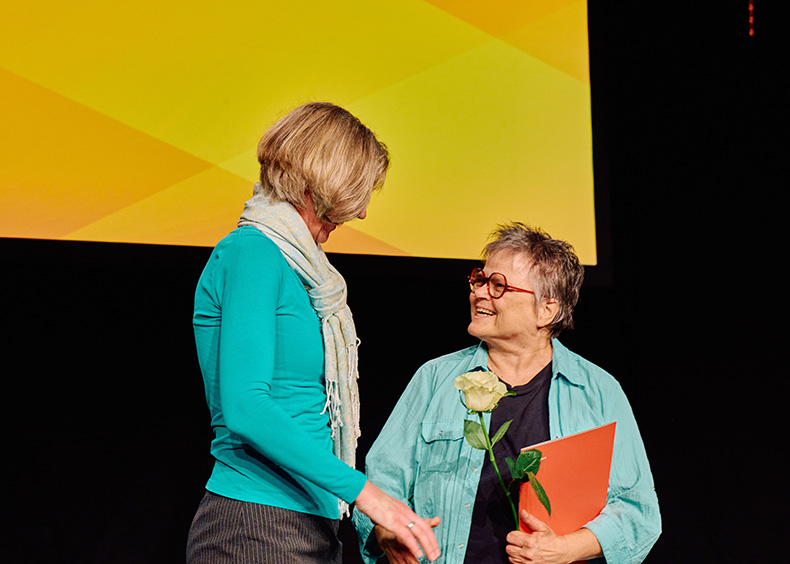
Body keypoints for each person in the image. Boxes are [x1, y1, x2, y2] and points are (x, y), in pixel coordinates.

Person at [186, 102, 440, 564]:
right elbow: (246, 407)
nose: (360, 213)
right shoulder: (253, 254)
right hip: (254, 522)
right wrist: (370, 495)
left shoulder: (304, 271)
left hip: (311, 521)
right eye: (354, 193)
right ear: (318, 180)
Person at [353, 223, 661, 564]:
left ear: (547, 310)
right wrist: (386, 531)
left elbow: (638, 513)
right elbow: (382, 483)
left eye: (498, 285)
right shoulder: (435, 378)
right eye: (480, 280)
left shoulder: (598, 391)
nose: (480, 293)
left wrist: (566, 549)